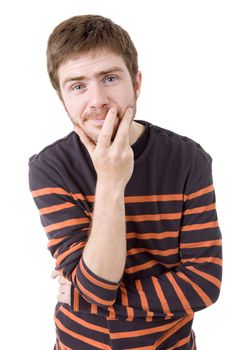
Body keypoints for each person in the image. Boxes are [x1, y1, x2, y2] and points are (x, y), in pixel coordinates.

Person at [28, 14, 222, 350]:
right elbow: (99, 285)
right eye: (77, 85)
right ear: (62, 98)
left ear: (136, 83)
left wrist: (88, 296)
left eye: (110, 78)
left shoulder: (189, 160)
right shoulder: (50, 167)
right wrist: (110, 182)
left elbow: (203, 284)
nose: (97, 100)